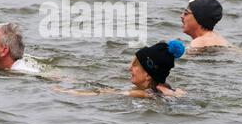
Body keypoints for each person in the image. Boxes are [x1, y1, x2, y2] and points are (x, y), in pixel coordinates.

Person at [53, 40, 186, 98]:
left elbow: (106, 93)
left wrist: (67, 92)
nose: (129, 68)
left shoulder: (144, 94)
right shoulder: (164, 89)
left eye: (135, 65)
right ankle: (66, 78)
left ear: (148, 75)